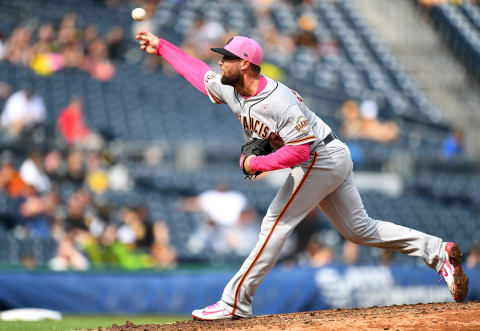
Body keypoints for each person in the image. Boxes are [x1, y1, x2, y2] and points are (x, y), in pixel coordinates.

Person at [135, 31, 469, 320]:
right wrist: (163, 46)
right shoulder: (230, 88)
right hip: (327, 156)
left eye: (227, 58)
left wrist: (256, 165)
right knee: (358, 230)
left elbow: (300, 152)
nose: (220, 63)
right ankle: (439, 252)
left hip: (320, 157)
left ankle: (234, 301)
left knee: (275, 223)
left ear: (246, 64)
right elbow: (198, 73)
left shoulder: (278, 100)